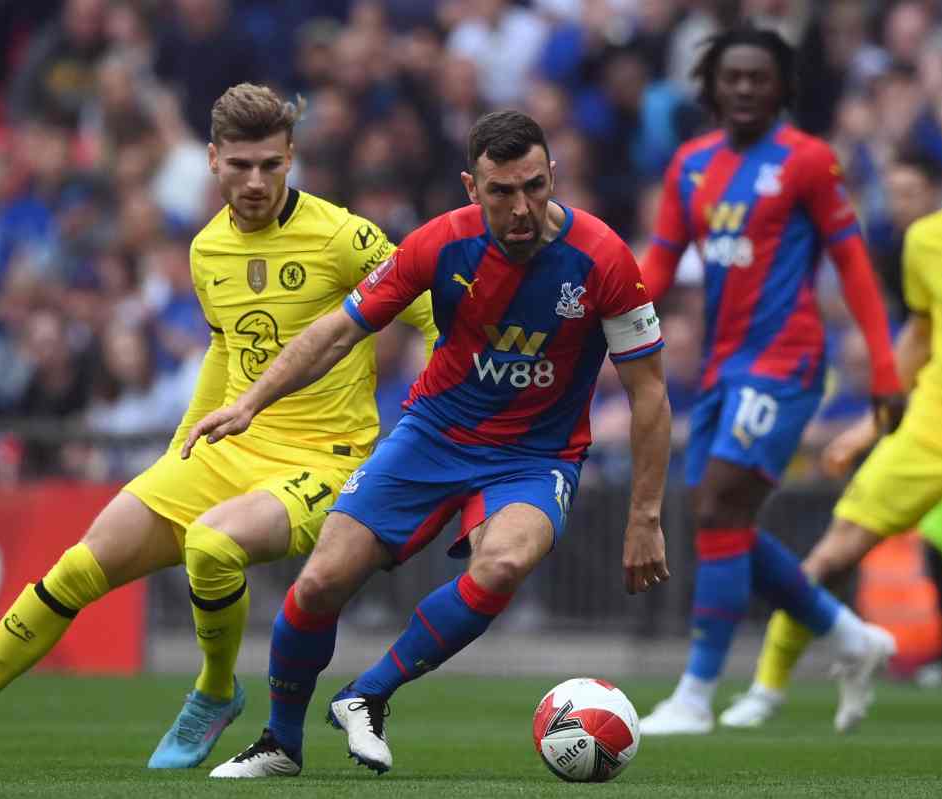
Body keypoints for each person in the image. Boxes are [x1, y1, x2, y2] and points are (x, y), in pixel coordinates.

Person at [0, 83, 437, 768]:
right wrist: (181, 449)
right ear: (213, 159)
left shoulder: (344, 236)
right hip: (233, 449)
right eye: (240, 165)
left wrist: (425, 421)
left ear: (291, 158)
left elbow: (432, 312)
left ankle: (215, 690)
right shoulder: (206, 249)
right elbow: (225, 348)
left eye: (271, 165)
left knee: (212, 546)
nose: (256, 182)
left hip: (323, 458)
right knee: (80, 565)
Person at [186, 109, 673, 778]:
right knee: (321, 581)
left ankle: (368, 693)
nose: (522, 208)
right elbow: (338, 330)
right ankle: (280, 742)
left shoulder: (605, 258)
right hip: (432, 435)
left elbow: (649, 392)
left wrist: (645, 516)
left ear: (553, 175)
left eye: (535, 186)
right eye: (502, 191)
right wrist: (249, 402)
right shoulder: (438, 244)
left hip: (536, 457)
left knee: (503, 564)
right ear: (472, 188)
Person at [722, 96, 942, 732]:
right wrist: (872, 423)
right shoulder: (926, 240)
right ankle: (767, 684)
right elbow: (920, 335)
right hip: (937, 422)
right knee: (833, 553)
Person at [635, 24, 906, 736]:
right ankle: (849, 635)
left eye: (760, 77)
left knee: (721, 501)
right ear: (711, 86)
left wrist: (884, 368)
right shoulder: (691, 165)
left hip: (786, 362)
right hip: (722, 365)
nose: (746, 88)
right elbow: (658, 266)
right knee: (717, 515)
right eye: (733, 77)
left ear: (783, 86)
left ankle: (696, 694)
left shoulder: (807, 160)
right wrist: (599, 320)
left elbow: (853, 265)